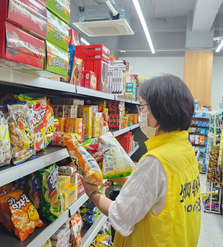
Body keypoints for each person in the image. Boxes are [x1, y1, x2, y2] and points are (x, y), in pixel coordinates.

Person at [82, 74, 201, 247]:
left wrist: (92, 193)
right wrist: (114, 173)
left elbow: (120, 215)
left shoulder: (155, 160)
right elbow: (154, 191)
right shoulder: (184, 148)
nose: (140, 113)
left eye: (142, 107)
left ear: (161, 110)